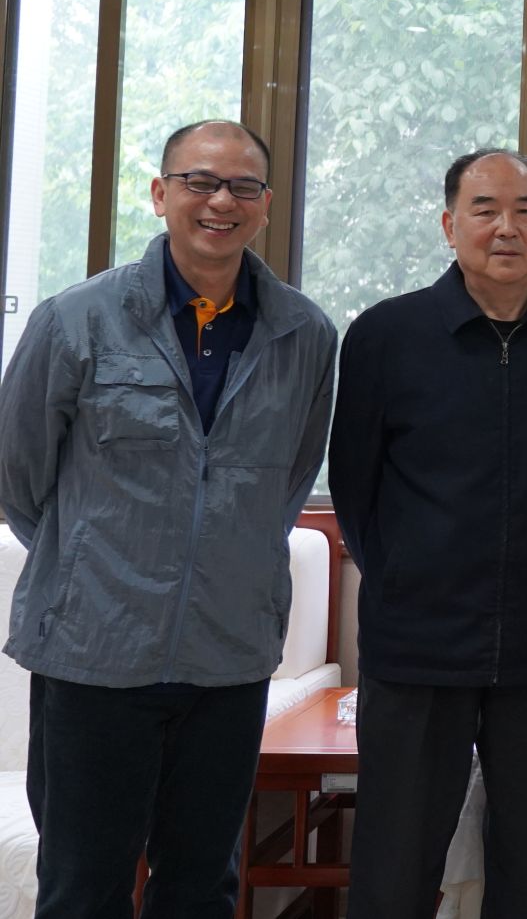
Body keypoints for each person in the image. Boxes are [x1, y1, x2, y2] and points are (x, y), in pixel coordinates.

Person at [0, 119, 336, 919]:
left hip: (227, 660)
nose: (221, 200)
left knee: (201, 886)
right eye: (200, 181)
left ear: (264, 205)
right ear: (160, 193)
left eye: (243, 186)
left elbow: (287, 481)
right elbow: (18, 475)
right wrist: (95, 561)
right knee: (84, 888)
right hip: (95, 656)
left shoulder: (304, 334)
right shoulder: (77, 318)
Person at [329, 148, 527, 919]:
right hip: (417, 645)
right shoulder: (385, 334)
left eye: (525, 209)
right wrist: (407, 580)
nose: (506, 227)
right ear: (448, 223)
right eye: (484, 209)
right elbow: (355, 488)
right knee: (394, 870)